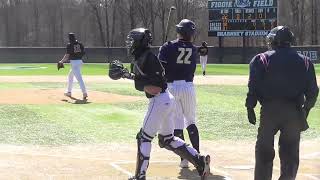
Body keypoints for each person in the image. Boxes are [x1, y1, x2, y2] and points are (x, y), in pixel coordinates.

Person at [122, 28, 210, 180]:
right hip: (166, 100)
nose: (130, 43)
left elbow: (154, 88)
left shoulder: (150, 59)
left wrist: (130, 78)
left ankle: (139, 176)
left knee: (144, 138)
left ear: (140, 42)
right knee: (167, 140)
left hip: (159, 101)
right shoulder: (142, 57)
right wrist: (127, 75)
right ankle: (199, 161)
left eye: (133, 40)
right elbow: (143, 79)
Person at [245, 26, 319, 180]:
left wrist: (250, 106)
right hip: (294, 111)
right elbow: (313, 91)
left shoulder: (261, 59)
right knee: (290, 153)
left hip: (269, 111)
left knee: (264, 150)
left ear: (273, 41)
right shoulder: (305, 61)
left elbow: (253, 86)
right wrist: (306, 109)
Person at [158, 19, 201, 168]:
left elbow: (160, 67)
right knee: (191, 121)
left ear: (179, 31)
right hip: (188, 87)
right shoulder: (194, 49)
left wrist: (164, 47)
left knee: (177, 123)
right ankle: (198, 156)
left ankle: (184, 159)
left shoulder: (168, 46)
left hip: (172, 87)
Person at [59, 33, 88, 100]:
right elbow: (83, 53)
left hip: (74, 63)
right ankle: (69, 92)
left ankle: (84, 93)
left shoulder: (69, 45)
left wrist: (61, 61)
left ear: (69, 38)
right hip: (80, 62)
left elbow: (67, 56)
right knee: (70, 76)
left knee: (79, 79)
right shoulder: (80, 44)